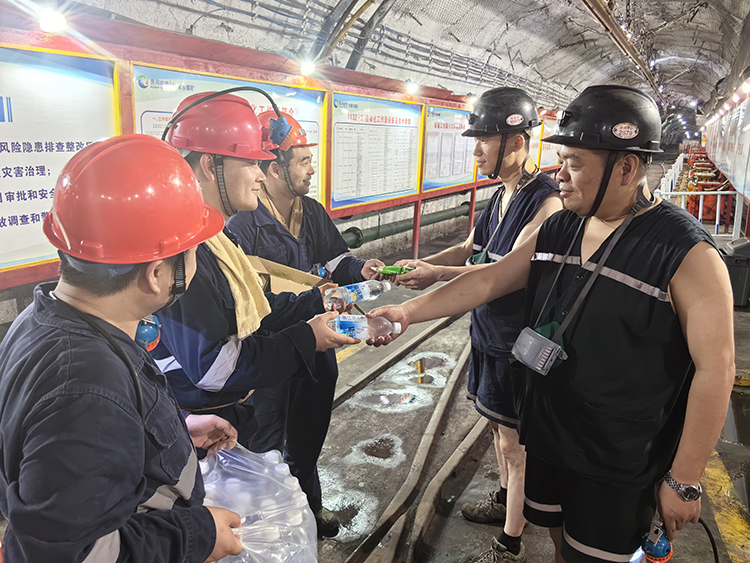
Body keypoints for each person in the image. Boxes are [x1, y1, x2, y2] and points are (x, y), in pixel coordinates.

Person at [367, 85, 735, 563]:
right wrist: (406, 312)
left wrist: (684, 479)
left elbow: (716, 369)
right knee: (561, 547)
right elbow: (491, 279)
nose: (558, 174)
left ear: (626, 168)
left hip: (618, 458)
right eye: (560, 160)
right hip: (550, 433)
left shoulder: (686, 253)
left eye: (574, 163)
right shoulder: (560, 227)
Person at [0, 134, 244, 562]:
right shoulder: (89, 388)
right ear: (157, 274)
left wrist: (165, 433)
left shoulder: (40, 320)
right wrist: (198, 535)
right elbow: (76, 554)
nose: (196, 260)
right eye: (192, 251)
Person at [151, 92, 357, 535]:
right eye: (250, 162)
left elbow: (254, 308)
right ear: (210, 165)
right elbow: (215, 368)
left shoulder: (215, 238)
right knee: (226, 525)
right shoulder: (189, 249)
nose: (260, 175)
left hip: (217, 417)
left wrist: (314, 304)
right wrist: (309, 337)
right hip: (203, 426)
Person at [393, 88, 562, 561]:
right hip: (487, 336)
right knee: (494, 427)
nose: (476, 151)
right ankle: (507, 500)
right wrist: (422, 264)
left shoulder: (545, 203)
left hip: (515, 345)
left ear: (516, 141)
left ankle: (511, 541)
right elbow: (470, 250)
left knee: (513, 443)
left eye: (484, 140)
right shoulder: (503, 195)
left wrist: (435, 277)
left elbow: (500, 272)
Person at [227, 109, 385, 536]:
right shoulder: (242, 225)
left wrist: (360, 269)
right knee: (266, 443)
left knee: (309, 434)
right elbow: (248, 303)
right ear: (274, 168)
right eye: (303, 161)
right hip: (270, 356)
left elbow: (336, 260)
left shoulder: (311, 211)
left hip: (318, 345)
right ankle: (270, 528)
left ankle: (309, 510)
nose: (311, 169)